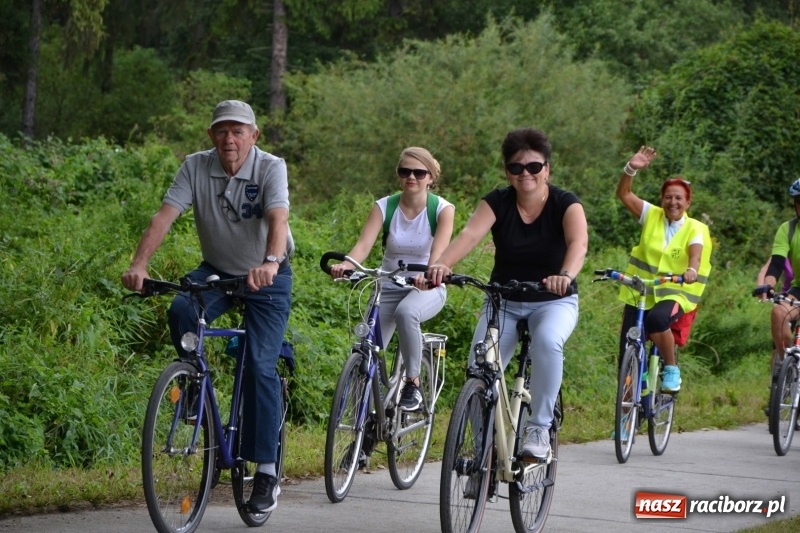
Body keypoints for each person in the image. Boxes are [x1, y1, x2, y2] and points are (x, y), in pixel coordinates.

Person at [121, 100, 292, 513]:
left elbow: (278, 217)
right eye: (222, 131)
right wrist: (139, 264)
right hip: (217, 271)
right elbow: (164, 217)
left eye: (238, 131)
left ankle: (266, 471)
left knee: (259, 367)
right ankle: (195, 387)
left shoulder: (271, 167)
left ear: (254, 135)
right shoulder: (195, 166)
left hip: (266, 276)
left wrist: (270, 262)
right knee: (182, 309)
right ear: (211, 135)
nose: (229, 139)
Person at [428, 128, 587, 460]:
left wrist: (565, 276)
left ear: (547, 169)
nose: (525, 173)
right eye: (516, 167)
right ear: (507, 172)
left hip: (553, 301)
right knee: (479, 364)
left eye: (534, 166)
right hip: (503, 300)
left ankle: (538, 428)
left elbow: (578, 244)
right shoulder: (497, 202)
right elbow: (470, 235)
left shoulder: (566, 204)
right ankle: (481, 446)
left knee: (548, 342)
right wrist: (441, 265)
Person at [330, 147, 454, 411]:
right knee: (367, 349)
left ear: (431, 177)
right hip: (389, 283)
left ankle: (413, 383)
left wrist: (428, 275)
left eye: (419, 173)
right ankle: (362, 420)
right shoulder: (384, 206)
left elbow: (439, 256)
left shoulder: (442, 210)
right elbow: (363, 245)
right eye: (405, 171)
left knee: (407, 312)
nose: (411, 177)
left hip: (427, 286)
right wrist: (346, 265)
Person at [616, 146, 712, 393]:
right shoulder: (652, 215)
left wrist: (691, 270)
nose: (673, 202)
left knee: (657, 320)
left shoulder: (696, 228)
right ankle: (629, 405)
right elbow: (624, 194)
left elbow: (696, 254)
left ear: (688, 202)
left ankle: (671, 368)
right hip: (641, 291)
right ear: (662, 200)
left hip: (676, 293)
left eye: (679, 198)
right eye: (668, 197)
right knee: (628, 346)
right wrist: (631, 168)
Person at [754, 179, 800, 378]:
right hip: (798, 289)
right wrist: (768, 285)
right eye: (799, 201)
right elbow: (776, 264)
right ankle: (787, 367)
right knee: (778, 312)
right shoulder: (788, 229)